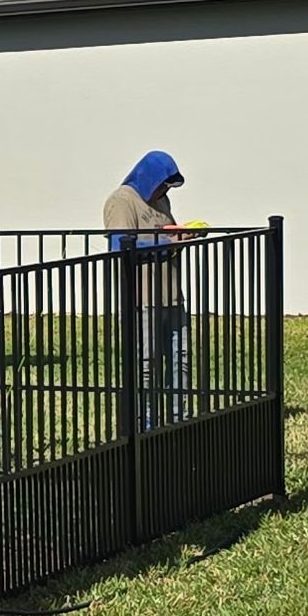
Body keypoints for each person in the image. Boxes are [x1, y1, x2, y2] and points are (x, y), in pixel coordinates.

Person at [103, 149, 192, 425]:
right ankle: (145, 423)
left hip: (172, 296)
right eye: (163, 183)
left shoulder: (162, 202)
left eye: (169, 186)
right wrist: (166, 244)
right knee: (146, 365)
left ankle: (180, 418)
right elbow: (120, 246)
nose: (165, 190)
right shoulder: (122, 201)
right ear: (149, 178)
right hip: (142, 299)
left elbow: (167, 236)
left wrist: (182, 235)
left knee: (181, 359)